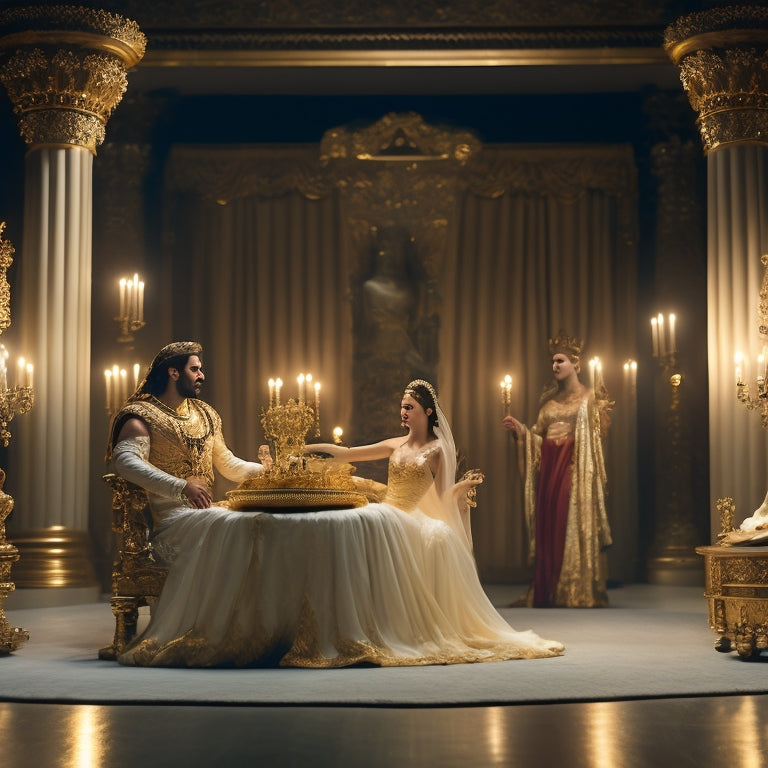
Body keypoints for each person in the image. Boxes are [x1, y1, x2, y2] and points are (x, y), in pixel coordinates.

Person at [109, 360, 564, 667]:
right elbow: (347, 454)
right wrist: (308, 447)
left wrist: (459, 495)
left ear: (427, 412)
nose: (403, 414)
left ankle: (353, 624)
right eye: (401, 408)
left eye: (409, 408)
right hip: (390, 508)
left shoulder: (437, 450)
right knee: (364, 515)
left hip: (408, 515)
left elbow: (441, 496)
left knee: (366, 518)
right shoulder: (396, 443)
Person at [502, 332, 612, 608]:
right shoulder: (549, 404)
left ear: (576, 363)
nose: (555, 366)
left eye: (560, 360)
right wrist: (521, 431)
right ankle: (549, 587)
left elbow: (597, 437)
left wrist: (600, 416)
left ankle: (574, 587)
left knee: (568, 519)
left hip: (574, 470)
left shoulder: (589, 398)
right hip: (551, 468)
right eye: (552, 361)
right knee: (549, 523)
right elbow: (537, 438)